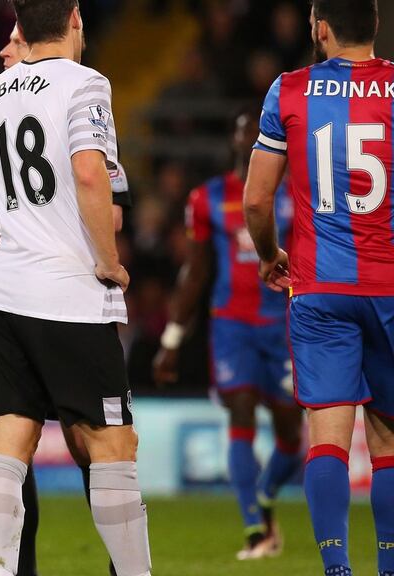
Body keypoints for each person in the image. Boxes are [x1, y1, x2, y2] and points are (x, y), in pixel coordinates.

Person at [0, 0, 153, 574]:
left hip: (3, 294)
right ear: (74, 18)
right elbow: (91, 172)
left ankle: (0, 571)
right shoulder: (86, 83)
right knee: (113, 445)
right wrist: (108, 261)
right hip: (69, 293)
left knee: (10, 445)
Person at [244, 1, 394, 574]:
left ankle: (336, 569)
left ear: (321, 28)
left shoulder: (288, 90)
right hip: (387, 289)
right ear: (374, 26)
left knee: (328, 441)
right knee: (387, 447)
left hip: (320, 291)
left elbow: (257, 199)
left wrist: (267, 255)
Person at [153, 108, 303, 560]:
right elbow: (194, 272)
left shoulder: (296, 193)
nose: (254, 139)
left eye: (262, 133)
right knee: (239, 412)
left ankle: (265, 496)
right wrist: (172, 341)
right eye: (247, 133)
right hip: (231, 326)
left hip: (282, 326)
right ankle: (254, 527)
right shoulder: (208, 199)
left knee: (290, 438)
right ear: (237, 143)